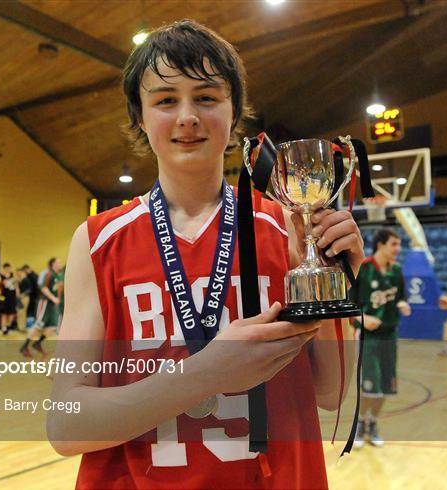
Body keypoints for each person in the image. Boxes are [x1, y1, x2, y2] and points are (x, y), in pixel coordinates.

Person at [48, 20, 365, 489]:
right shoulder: (98, 240)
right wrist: (205, 373)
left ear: (235, 112)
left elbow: (330, 393)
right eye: (165, 100)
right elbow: (66, 424)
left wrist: (338, 283)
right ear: (140, 115)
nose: (187, 116)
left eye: (207, 97)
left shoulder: (289, 228)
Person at [351, 228, 411, 448]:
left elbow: (401, 297)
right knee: (369, 386)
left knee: (386, 386)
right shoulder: (364, 269)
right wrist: (363, 318)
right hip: (369, 337)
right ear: (381, 245)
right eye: (394, 244)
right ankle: (359, 422)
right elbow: (350, 307)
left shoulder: (396, 271)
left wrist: (403, 304)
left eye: (399, 244)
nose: (398, 248)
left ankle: (372, 422)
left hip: (390, 335)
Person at [20, 258, 63, 356]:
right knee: (38, 325)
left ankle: (38, 343)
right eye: (58, 262)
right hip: (45, 302)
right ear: (53, 264)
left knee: (53, 327)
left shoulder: (58, 275)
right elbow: (43, 288)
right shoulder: (49, 274)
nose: (60, 264)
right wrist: (53, 298)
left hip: (52, 305)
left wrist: (58, 298)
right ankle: (24, 346)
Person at [0, 263, 19, 335]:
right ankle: (3, 328)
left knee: (11, 314)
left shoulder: (13, 276)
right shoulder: (0, 277)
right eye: (6, 268)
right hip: (4, 297)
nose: (8, 270)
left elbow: (16, 286)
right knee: (4, 314)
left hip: (12, 297)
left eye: (9, 268)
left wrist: (17, 293)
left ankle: (8, 326)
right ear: (4, 269)